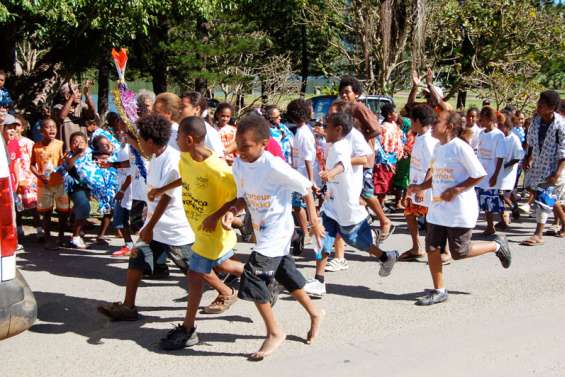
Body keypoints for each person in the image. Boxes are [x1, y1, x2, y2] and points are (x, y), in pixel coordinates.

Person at [220, 113, 325, 360]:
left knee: (253, 276)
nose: (241, 151)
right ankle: (314, 313)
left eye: (246, 147)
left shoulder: (273, 165)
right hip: (261, 230)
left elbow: (307, 188)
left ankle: (275, 332)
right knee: (286, 276)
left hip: (278, 232)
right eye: (239, 145)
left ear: (263, 144)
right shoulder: (238, 164)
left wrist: (314, 222)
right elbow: (242, 198)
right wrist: (231, 212)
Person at [157, 116, 245, 350]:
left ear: (188, 139)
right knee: (225, 265)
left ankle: (188, 329)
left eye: (177, 138)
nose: (175, 140)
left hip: (213, 232)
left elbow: (238, 198)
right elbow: (183, 179)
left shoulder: (217, 168)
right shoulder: (185, 158)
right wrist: (161, 189)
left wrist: (216, 217)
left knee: (195, 275)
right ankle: (264, 275)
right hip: (199, 229)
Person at [407, 111, 511, 306]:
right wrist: (419, 187)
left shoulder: (460, 148)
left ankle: (497, 245)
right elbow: (437, 176)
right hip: (438, 208)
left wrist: (456, 190)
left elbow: (479, 174)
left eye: (437, 121)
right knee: (432, 248)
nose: (433, 123)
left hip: (459, 209)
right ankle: (439, 290)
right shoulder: (438, 147)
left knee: (459, 252)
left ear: (448, 127)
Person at [98, 114, 194, 321]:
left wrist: (149, 225)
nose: (139, 143)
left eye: (141, 139)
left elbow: (166, 198)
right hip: (155, 225)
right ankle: (128, 306)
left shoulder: (172, 160)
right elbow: (156, 192)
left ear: (150, 141)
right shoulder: (156, 157)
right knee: (136, 258)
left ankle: (225, 290)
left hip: (173, 228)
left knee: (198, 270)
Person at [303, 112, 399, 298]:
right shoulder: (337, 143)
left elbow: (344, 164)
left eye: (327, 127)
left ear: (338, 129)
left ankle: (385, 256)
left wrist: (331, 173)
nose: (324, 129)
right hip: (332, 204)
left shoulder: (341, 146)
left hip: (346, 205)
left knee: (355, 240)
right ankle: (319, 281)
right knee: (322, 238)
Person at [338, 76, 394, 239]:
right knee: (354, 192)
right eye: (342, 92)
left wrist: (362, 137)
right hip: (352, 156)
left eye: (347, 92)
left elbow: (377, 129)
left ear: (356, 93)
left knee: (367, 192)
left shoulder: (359, 107)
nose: (344, 95)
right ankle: (365, 217)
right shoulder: (345, 109)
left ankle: (384, 221)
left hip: (364, 157)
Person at [521, 91, 565, 244]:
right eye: (538, 103)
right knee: (530, 188)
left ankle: (538, 234)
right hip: (538, 164)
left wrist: (557, 174)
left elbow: (564, 151)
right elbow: (531, 141)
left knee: (544, 197)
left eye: (542, 105)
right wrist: (528, 157)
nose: (538, 107)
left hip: (554, 166)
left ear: (552, 107)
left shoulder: (561, 125)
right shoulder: (536, 121)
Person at [398, 105, 438, 261]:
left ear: (418, 121)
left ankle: (434, 250)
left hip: (425, 187)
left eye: (412, 120)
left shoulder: (429, 140)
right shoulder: (420, 136)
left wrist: (422, 189)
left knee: (429, 220)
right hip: (414, 183)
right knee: (409, 213)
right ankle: (417, 247)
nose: (410, 123)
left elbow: (433, 166)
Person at [30, 118, 70, 249]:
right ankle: (48, 239)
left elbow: (65, 161)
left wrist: (63, 166)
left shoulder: (60, 144)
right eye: (48, 127)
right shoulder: (36, 146)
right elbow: (32, 165)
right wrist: (39, 176)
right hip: (44, 185)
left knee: (63, 212)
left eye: (54, 127)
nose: (52, 129)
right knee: (46, 213)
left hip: (60, 183)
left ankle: (61, 237)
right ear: (41, 131)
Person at [287, 98, 317, 242]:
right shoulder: (300, 131)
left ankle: (308, 232)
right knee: (299, 205)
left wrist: (311, 179)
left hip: (303, 174)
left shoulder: (304, 133)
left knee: (299, 206)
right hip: (298, 172)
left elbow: (308, 158)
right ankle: (308, 232)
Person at [476, 107, 506, 235]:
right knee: (482, 199)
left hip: (492, 173)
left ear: (489, 119)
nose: (480, 121)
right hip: (481, 173)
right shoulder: (482, 133)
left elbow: (500, 157)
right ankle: (492, 224)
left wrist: (495, 175)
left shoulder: (498, 135)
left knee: (490, 201)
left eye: (482, 118)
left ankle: (491, 225)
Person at [61, 132, 92, 249]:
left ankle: (75, 226)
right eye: (75, 142)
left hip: (87, 186)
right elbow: (68, 166)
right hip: (74, 186)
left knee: (80, 208)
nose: (78, 144)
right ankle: (75, 237)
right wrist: (78, 154)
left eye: (81, 142)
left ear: (86, 144)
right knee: (84, 206)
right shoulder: (69, 155)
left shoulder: (90, 154)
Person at [53, 80, 99, 151]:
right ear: (66, 96)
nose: (79, 95)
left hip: (83, 149)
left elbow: (92, 114)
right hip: (66, 150)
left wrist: (87, 95)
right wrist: (71, 98)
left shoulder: (81, 105)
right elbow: (61, 117)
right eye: (76, 92)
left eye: (79, 92)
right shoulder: (57, 107)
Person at [13, 114, 39, 237]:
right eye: (12, 125)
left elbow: (34, 160)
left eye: (17, 125)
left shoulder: (28, 142)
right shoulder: (7, 142)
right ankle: (19, 228)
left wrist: (35, 176)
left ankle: (39, 228)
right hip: (15, 177)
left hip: (29, 176)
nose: (15, 127)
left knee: (33, 203)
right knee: (17, 204)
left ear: (22, 127)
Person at [374, 103, 404, 206]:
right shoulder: (384, 128)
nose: (397, 114)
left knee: (388, 184)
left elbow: (400, 140)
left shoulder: (394, 125)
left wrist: (401, 151)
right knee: (382, 185)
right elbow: (380, 147)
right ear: (389, 115)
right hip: (385, 162)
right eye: (395, 112)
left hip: (393, 160)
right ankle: (379, 206)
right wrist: (387, 162)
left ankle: (380, 205)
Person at [179, 91, 224, 157]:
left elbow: (220, 157)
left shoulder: (209, 132)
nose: (179, 110)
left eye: (183, 107)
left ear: (197, 109)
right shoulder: (181, 128)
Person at [498, 116, 524, 228]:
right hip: (498, 170)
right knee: (503, 194)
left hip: (508, 172)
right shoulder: (499, 137)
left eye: (501, 125)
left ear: (507, 127)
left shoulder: (514, 139)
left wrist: (506, 165)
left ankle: (511, 209)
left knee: (501, 194)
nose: (498, 127)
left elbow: (518, 156)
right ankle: (507, 215)